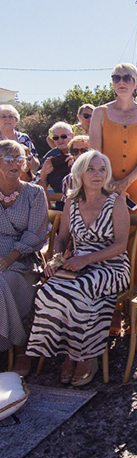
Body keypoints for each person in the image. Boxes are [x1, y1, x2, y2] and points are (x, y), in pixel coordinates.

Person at [26, 151, 130, 386]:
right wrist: (56, 259)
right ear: (80, 173)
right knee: (48, 292)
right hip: (76, 264)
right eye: (91, 169)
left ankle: (85, 357)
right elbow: (62, 239)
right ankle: (69, 352)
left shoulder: (116, 201)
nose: (97, 174)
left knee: (82, 292)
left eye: (102, 169)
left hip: (112, 265)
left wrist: (86, 259)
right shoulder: (71, 202)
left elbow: (121, 245)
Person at [89, 63, 137, 288]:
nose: (121, 81)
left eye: (127, 77)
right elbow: (94, 154)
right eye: (116, 77)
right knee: (108, 238)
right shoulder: (100, 113)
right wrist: (111, 184)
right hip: (106, 186)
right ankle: (113, 300)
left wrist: (125, 183)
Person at [0, 140, 48, 375]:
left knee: (3, 281)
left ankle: (21, 348)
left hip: (23, 260)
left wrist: (9, 258)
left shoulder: (34, 193)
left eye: (20, 159)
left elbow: (36, 234)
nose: (16, 164)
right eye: (9, 159)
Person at [37, 122, 74, 200]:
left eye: (63, 136)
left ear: (72, 136)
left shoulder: (82, 151)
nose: (60, 140)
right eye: (56, 138)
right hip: (60, 203)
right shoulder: (50, 156)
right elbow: (39, 189)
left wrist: (78, 165)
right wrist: (44, 173)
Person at [0, 105, 39, 177]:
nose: (7, 119)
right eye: (3, 116)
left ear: (16, 120)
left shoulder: (24, 138)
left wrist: (28, 155)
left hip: (21, 178)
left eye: (11, 116)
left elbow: (35, 166)